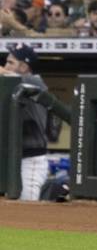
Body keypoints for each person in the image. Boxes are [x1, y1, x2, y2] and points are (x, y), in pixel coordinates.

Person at [0, 44, 48, 201]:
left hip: (30, 160)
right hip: (8, 159)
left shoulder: (36, 83)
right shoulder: (6, 86)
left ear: (23, 66)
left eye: (10, 62)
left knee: (27, 206)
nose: (6, 65)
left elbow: (14, 79)